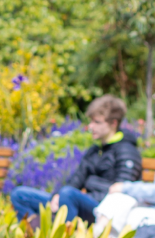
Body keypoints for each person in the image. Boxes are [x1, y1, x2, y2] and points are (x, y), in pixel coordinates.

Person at [7, 95, 139, 223]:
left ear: (113, 123)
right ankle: (34, 237)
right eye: (91, 121)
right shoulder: (94, 150)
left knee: (68, 194)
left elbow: (122, 192)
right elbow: (76, 179)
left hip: (103, 209)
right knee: (20, 195)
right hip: (79, 201)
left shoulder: (126, 150)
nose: (91, 126)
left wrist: (79, 197)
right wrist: (57, 196)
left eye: (97, 122)